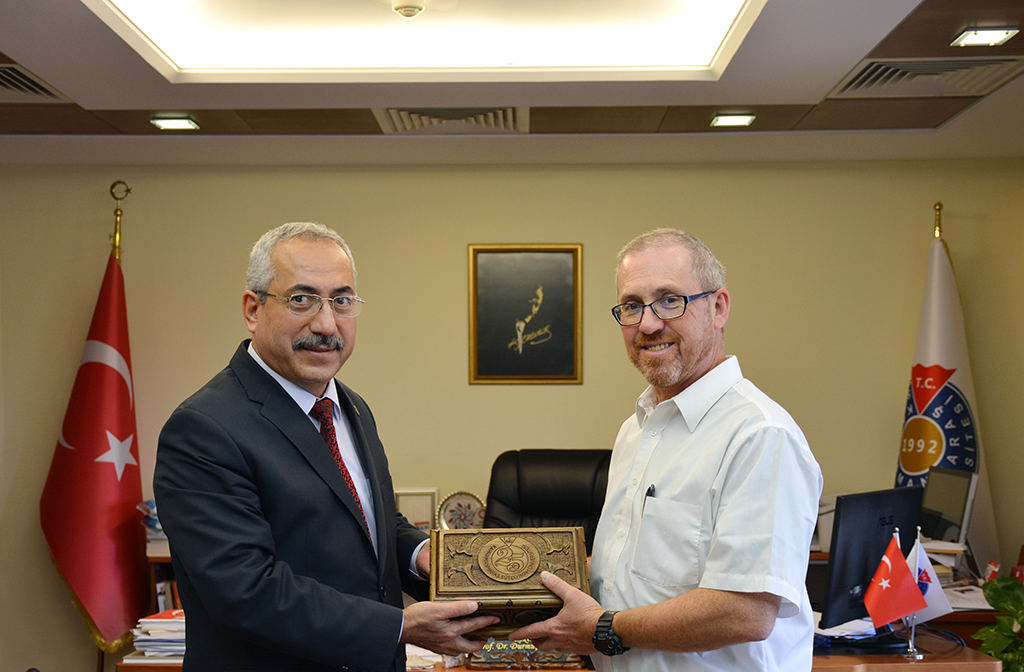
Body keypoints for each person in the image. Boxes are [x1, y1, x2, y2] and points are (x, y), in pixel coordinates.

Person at [154, 222, 496, 672]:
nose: (326, 324)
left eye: (342, 301)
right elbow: (246, 591)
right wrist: (397, 626)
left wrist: (421, 555)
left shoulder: (350, 406)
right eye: (302, 299)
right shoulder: (202, 428)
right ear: (253, 309)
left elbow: (367, 523)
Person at [509, 228, 823, 671]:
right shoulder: (635, 430)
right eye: (632, 305)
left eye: (670, 300)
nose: (648, 324)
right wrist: (515, 579)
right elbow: (630, 568)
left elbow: (744, 612)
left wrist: (602, 629)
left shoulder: (759, 435)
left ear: (718, 308)